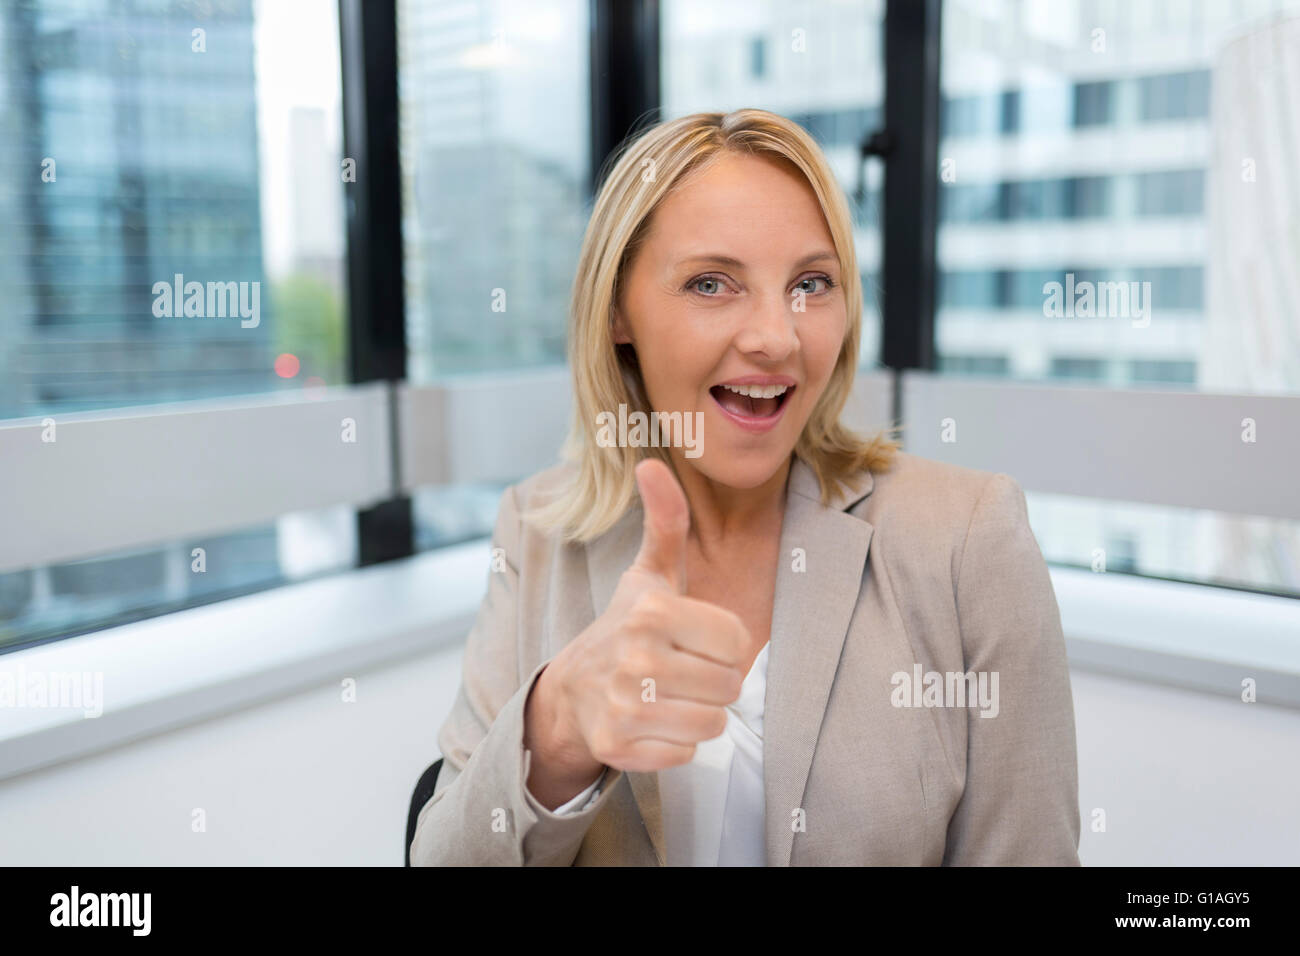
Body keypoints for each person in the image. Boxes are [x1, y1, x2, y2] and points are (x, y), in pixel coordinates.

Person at [409, 108, 1080, 866]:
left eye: (810, 284)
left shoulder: (968, 540)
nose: (776, 336)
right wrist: (558, 723)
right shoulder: (537, 530)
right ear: (619, 309)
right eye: (711, 283)